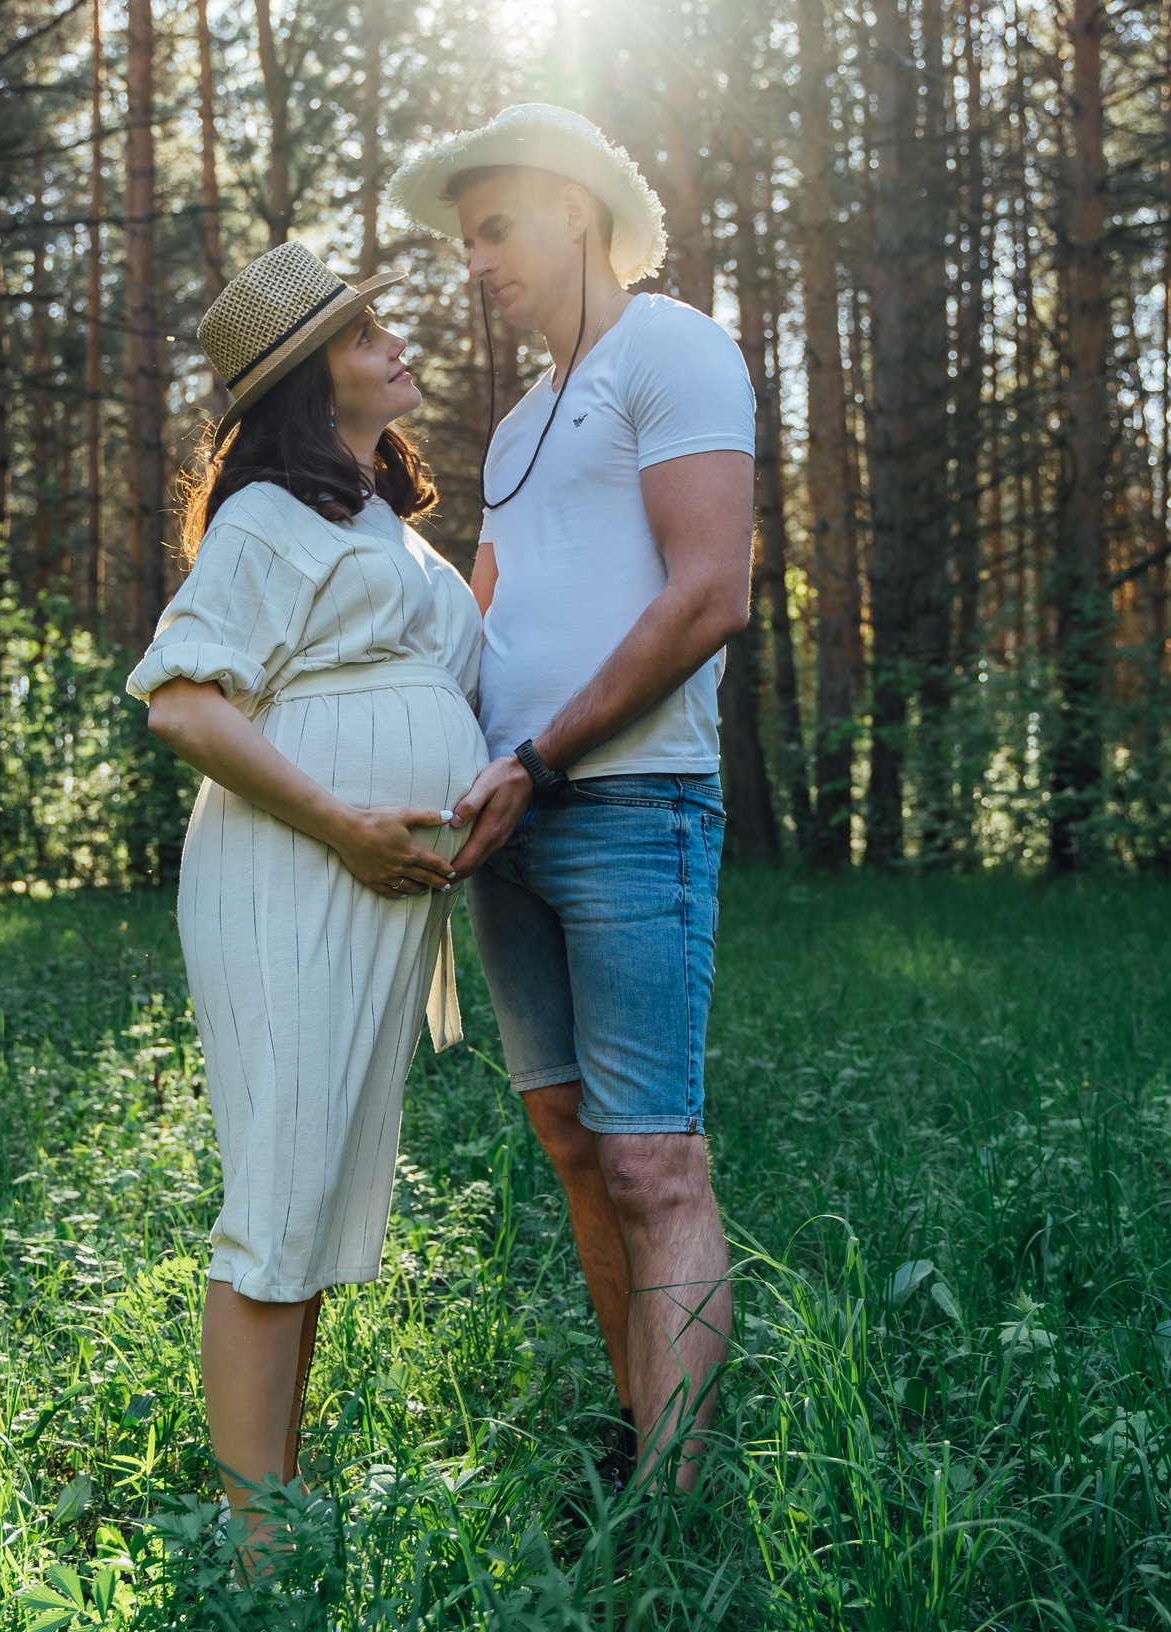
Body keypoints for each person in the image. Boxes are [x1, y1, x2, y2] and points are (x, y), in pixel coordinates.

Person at [388, 105, 757, 1491]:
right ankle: (637, 1432)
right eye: (464, 238)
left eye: (496, 229)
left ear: (579, 213)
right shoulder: (521, 421)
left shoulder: (675, 347)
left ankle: (675, 1506)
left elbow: (707, 592)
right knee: (565, 1136)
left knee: (651, 1158)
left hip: (628, 804)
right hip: (508, 827)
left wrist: (542, 757)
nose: (475, 260)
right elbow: (485, 617)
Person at [126, 242, 486, 1553]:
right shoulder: (263, 522)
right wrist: (343, 824)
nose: (396, 346)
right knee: (279, 1196)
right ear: (306, 379)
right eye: (365, 333)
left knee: (320, 1193)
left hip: (373, 887)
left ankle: (279, 1505)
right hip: (292, 872)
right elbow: (179, 702)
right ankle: (252, 1540)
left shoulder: (375, 522)